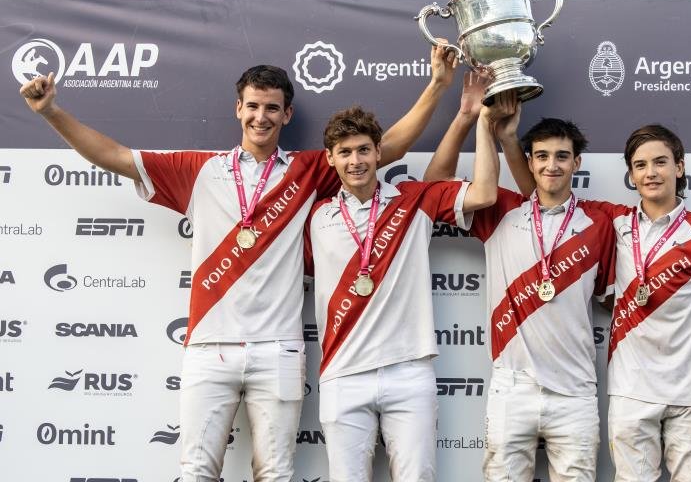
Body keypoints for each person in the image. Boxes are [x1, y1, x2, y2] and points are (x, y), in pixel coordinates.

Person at [19, 46, 458, 482]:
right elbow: (115, 156)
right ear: (238, 109)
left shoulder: (310, 169)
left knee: (276, 473)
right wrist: (51, 111)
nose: (260, 116)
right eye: (252, 106)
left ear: (287, 115)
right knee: (196, 471)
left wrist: (438, 84)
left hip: (279, 349)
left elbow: (391, 146)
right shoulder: (200, 170)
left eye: (272, 108)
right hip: (210, 345)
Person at [503, 120, 691, 481]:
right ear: (631, 174)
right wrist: (507, 139)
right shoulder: (612, 221)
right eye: (640, 165)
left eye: (660, 162)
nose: (651, 173)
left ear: (679, 167)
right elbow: (543, 191)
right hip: (630, 392)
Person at [307, 83, 498, 481]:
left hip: (408, 372)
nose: (355, 161)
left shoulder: (413, 200)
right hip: (343, 373)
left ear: (380, 152)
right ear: (330, 159)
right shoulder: (314, 215)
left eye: (363, 150)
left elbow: (483, 193)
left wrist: (482, 120)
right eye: (344, 152)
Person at [424, 88, 616, 481]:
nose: (552, 166)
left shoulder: (602, 221)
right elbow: (434, 186)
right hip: (512, 389)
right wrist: (483, 125)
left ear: (577, 162)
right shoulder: (501, 210)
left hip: (575, 390)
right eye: (542, 156)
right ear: (529, 162)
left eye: (562, 156)